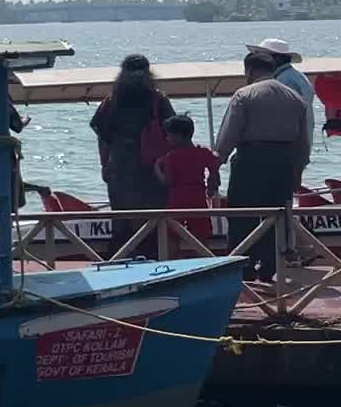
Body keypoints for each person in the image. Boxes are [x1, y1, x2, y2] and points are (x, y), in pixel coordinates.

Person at [215, 51, 313, 282]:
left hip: (251, 158)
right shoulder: (295, 98)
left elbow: (229, 135)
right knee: (278, 215)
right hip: (284, 160)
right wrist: (297, 171)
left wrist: (216, 164)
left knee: (242, 214)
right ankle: (270, 266)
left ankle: (243, 266)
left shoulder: (245, 94)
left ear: (249, 70)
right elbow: (303, 142)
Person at [87, 54, 177, 257]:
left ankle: (118, 264)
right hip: (153, 171)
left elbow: (102, 137)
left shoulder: (112, 102)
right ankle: (155, 265)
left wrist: (104, 165)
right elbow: (174, 133)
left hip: (122, 169)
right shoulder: (159, 100)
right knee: (152, 222)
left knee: (123, 221)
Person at [152, 114, 222, 255]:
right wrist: (211, 185)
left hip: (177, 199)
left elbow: (168, 181)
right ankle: (203, 261)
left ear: (178, 136)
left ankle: (172, 262)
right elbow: (214, 167)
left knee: (171, 234)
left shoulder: (171, 157)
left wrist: (157, 168)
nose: (167, 139)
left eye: (169, 136)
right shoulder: (202, 152)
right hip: (198, 199)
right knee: (201, 235)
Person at [249, 38, 316, 138]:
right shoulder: (295, 76)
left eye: (262, 56)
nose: (258, 61)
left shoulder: (284, 81)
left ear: (277, 58)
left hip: (288, 142)